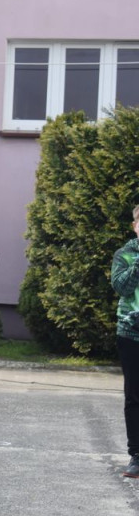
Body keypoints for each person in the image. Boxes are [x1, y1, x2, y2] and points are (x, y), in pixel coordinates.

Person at [110, 205, 139, 480]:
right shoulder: (125, 254)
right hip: (132, 334)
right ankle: (137, 455)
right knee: (134, 395)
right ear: (135, 226)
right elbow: (121, 287)